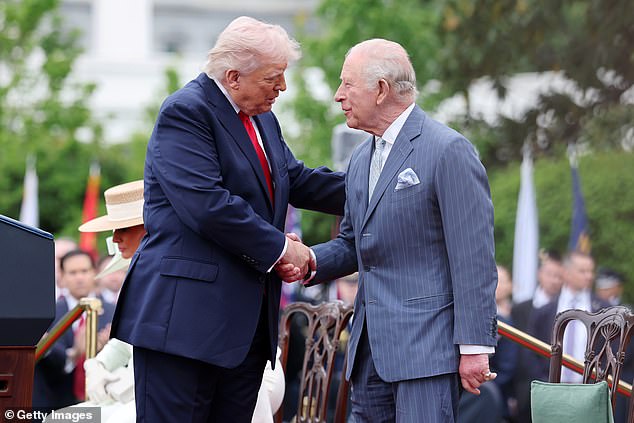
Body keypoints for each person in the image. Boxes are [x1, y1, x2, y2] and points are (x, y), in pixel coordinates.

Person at [110, 16, 346, 422]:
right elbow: (208, 205)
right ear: (234, 76)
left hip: (244, 331)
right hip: (183, 326)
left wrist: (378, 189)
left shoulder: (261, 118)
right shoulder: (185, 112)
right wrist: (281, 248)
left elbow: (295, 179)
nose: (283, 88)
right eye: (274, 77)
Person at [278, 38, 497, 422]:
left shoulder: (448, 149)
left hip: (427, 355)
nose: (337, 95)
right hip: (367, 355)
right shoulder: (361, 158)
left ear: (380, 90)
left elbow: (473, 257)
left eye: (347, 84)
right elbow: (352, 243)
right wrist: (308, 258)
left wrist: (475, 347)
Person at [33, 249, 115, 410]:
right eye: (72, 272)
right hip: (56, 404)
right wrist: (74, 354)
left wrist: (107, 348)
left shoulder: (115, 311)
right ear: (61, 277)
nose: (79, 278)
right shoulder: (48, 315)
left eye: (84, 271)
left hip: (105, 404)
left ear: (95, 273)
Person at [529, 251, 610, 383]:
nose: (589, 276)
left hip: (590, 389)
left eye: (591, 271)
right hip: (552, 388)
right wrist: (543, 380)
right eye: (582, 271)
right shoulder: (544, 311)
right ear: (566, 272)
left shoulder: (604, 309)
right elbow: (532, 351)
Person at [510, 249, 562, 422]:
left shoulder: (566, 309)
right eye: (550, 274)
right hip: (525, 388)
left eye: (559, 276)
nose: (554, 280)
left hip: (556, 386)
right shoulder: (519, 309)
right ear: (540, 274)